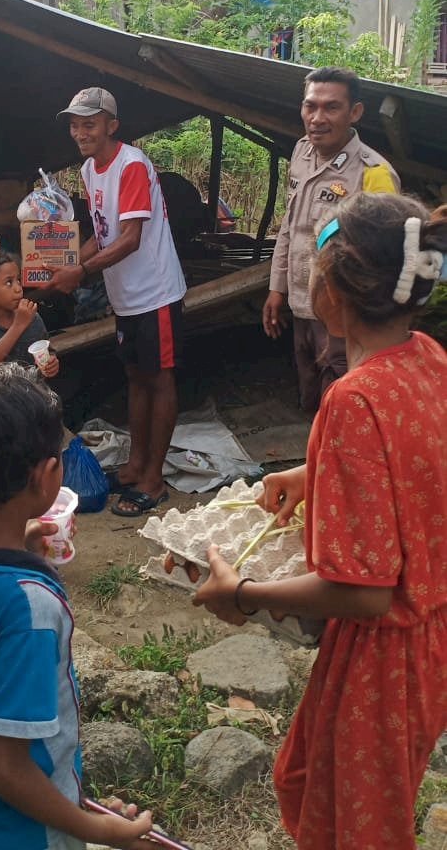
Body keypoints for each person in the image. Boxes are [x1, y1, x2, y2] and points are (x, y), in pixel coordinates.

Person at [195, 191, 447, 850]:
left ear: (333, 289)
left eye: (312, 262)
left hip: (379, 659)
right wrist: (316, 476)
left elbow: (362, 592)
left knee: (355, 831)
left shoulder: (352, 399)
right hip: (428, 641)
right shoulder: (425, 358)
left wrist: (241, 595)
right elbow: (420, 459)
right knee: (331, 791)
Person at [0, 363, 154, 850]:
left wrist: (18, 546)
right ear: (46, 479)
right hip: (21, 836)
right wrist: (95, 827)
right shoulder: (33, 609)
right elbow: (2, 766)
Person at [48, 87, 186, 517]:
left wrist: (81, 272)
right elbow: (101, 233)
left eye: (89, 123)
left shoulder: (131, 165)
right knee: (135, 377)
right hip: (126, 295)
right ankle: (135, 466)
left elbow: (130, 238)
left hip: (156, 292)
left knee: (159, 380)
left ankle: (154, 479)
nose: (80, 132)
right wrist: (67, 264)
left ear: (112, 125)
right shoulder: (90, 170)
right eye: (74, 124)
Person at [263, 66, 399, 414]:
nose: (317, 118)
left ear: (355, 112)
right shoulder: (301, 153)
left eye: (331, 107)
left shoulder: (373, 173)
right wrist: (277, 289)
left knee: (342, 411)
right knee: (310, 402)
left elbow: (385, 263)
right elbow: (290, 226)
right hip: (302, 308)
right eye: (311, 106)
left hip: (345, 321)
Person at [0, 251, 60, 379]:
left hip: (34, 392)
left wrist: (51, 363)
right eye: (9, 283)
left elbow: (45, 351)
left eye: (18, 280)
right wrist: (19, 325)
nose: (18, 288)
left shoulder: (32, 317)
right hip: (0, 397)